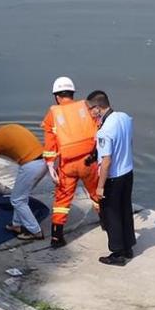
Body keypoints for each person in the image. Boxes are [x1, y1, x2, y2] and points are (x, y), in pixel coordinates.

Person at [41, 76, 100, 248]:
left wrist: (50, 165)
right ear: (72, 93)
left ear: (57, 96)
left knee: (62, 200)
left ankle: (57, 237)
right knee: (97, 194)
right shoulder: (86, 108)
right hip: (89, 161)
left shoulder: (53, 113)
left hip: (67, 165)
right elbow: (98, 132)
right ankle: (106, 222)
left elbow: (50, 143)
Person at [0, 115, 48, 240]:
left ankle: (36, 231)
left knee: (17, 200)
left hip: (30, 166)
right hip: (44, 161)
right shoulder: (13, 126)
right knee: (20, 197)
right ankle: (16, 225)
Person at [87, 90, 135, 266]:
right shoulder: (124, 117)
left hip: (113, 177)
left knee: (111, 214)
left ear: (98, 108)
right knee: (125, 209)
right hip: (128, 172)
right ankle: (128, 246)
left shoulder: (104, 131)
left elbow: (106, 161)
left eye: (91, 109)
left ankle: (117, 253)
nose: (90, 113)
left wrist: (100, 187)